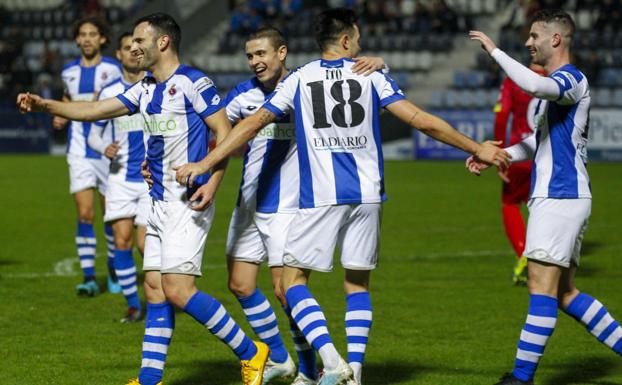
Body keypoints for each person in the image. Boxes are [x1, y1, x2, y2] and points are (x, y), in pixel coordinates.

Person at [175, 8, 507, 385]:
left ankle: (331, 364)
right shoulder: (371, 75)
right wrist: (475, 147)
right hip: (368, 195)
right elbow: (421, 120)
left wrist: (207, 160)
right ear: (347, 40)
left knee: (293, 284)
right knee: (357, 285)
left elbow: (254, 122)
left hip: (321, 196)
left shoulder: (301, 78)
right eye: (359, 38)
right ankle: (356, 374)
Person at [18, 13, 269, 385]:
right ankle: (149, 378)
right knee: (153, 288)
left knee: (178, 290)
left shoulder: (193, 83)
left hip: (188, 200)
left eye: (139, 40)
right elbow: (93, 110)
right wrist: (46, 106)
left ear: (162, 42)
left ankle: (252, 352)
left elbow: (225, 132)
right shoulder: (145, 88)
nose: (133, 46)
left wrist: (212, 176)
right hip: (156, 200)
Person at [219, 27, 387, 385]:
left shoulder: (305, 85)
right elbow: (216, 128)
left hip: (289, 205)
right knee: (240, 284)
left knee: (285, 291)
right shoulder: (241, 95)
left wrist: (380, 63)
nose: (255, 62)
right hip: (249, 203)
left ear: (282, 52)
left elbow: (345, 78)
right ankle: (280, 359)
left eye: (261, 54)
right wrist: (204, 165)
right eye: (250, 56)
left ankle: (311, 372)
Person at [468, 9, 622, 385]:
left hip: (560, 196)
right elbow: (537, 142)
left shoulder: (570, 79)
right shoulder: (556, 88)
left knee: (540, 289)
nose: (527, 43)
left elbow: (534, 87)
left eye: (534, 36)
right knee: (565, 294)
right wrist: (498, 156)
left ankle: (520, 379)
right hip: (561, 197)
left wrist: (495, 51)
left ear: (555, 39)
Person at [57, 16, 122, 296]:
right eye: (82, 34)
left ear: (102, 39)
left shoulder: (114, 69)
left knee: (110, 215)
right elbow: (67, 102)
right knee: (85, 214)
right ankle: (88, 278)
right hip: (78, 152)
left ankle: (114, 272)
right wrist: (60, 115)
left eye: (92, 34)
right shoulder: (67, 72)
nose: (86, 38)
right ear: (76, 39)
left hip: (108, 150)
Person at [87, 32, 148, 323]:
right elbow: (93, 137)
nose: (134, 52)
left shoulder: (157, 87)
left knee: (146, 245)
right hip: (121, 178)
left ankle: (160, 300)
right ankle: (134, 305)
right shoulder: (111, 91)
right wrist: (105, 148)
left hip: (152, 180)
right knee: (122, 242)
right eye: (127, 48)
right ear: (119, 55)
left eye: (138, 47)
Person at [493, 63, 545, 285]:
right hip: (546, 155)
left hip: (519, 154)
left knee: (510, 204)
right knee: (541, 208)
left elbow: (502, 116)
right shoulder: (554, 79)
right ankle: (545, 259)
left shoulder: (514, 79)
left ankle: (524, 253)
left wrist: (498, 153)